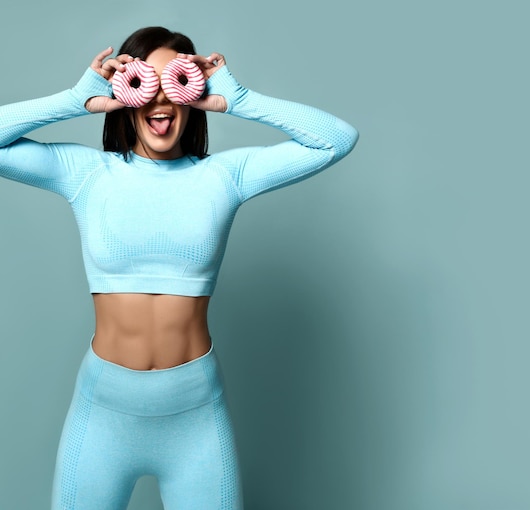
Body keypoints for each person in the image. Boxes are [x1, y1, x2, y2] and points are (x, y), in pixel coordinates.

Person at [0, 26, 358, 510]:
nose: (161, 97)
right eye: (148, 81)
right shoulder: (88, 174)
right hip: (103, 412)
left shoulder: (224, 176)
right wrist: (73, 100)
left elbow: (336, 140)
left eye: (177, 81)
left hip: (194, 419)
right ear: (125, 93)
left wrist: (240, 99)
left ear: (194, 93)